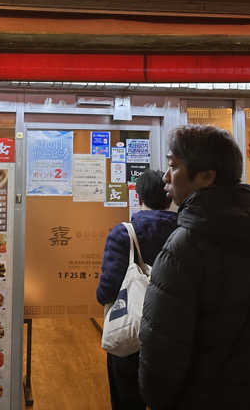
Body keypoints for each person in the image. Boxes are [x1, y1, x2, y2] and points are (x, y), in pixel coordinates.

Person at [138, 125, 250, 409]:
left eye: (173, 166)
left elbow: (162, 352)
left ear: (207, 176)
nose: (166, 177)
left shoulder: (186, 245)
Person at [97, 169, 178, 410]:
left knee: (127, 399)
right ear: (169, 197)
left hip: (130, 333)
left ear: (139, 198)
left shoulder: (124, 233)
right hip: (173, 334)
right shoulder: (184, 231)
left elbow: (106, 291)